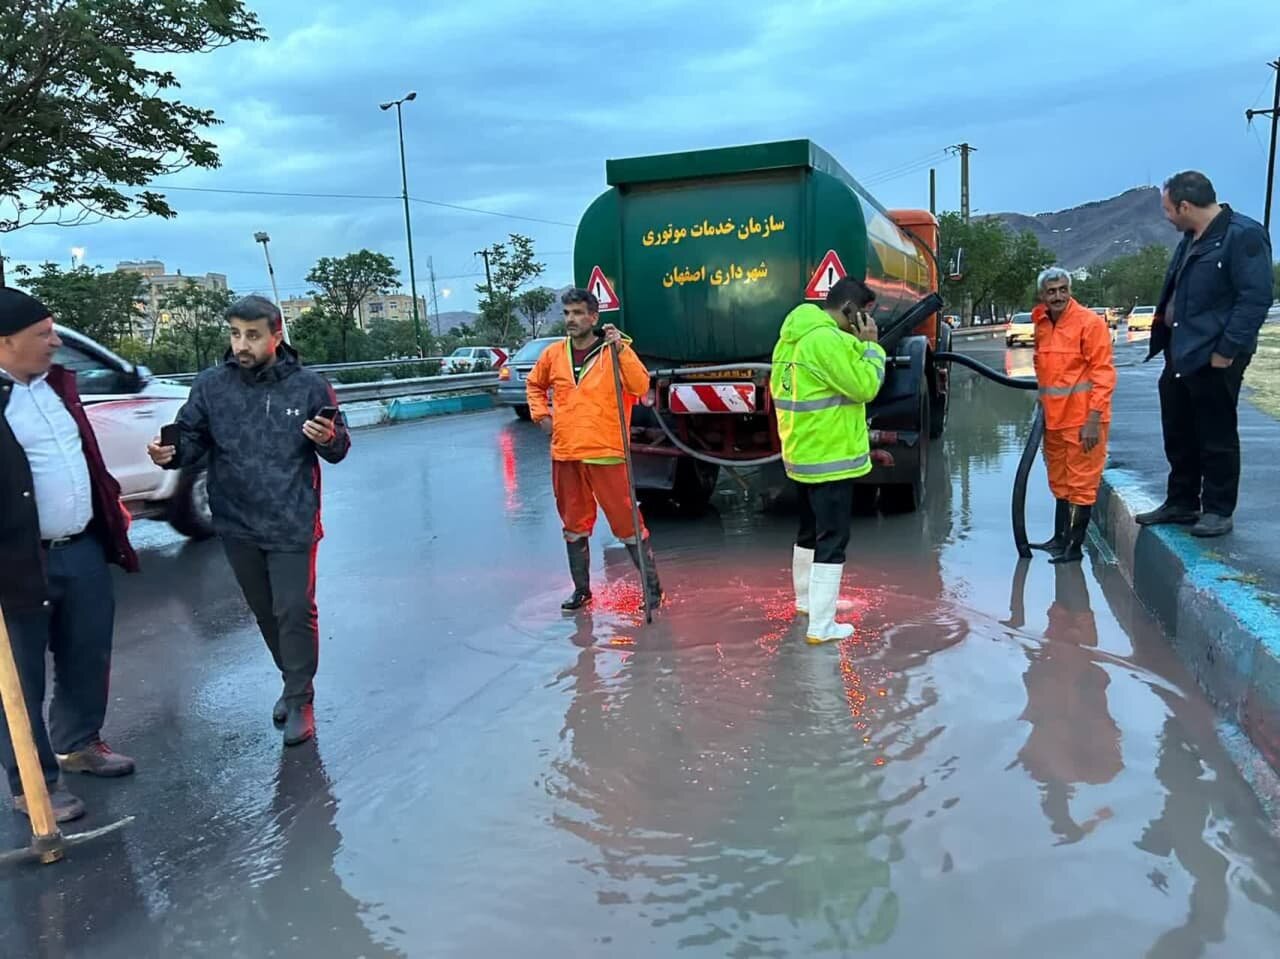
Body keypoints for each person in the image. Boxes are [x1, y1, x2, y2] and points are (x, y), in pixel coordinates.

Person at [147, 296, 350, 746]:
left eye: (253, 335)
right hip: (236, 520)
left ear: (276, 336)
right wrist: (171, 454)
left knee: (293, 609)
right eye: (235, 334)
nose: (242, 344)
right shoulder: (210, 386)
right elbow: (193, 440)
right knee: (265, 612)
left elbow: (338, 448)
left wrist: (329, 438)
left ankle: (300, 697)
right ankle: (293, 680)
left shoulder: (310, 387)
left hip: (293, 519)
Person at [0, 288, 139, 824]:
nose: (55, 342)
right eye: (43, 335)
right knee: (20, 679)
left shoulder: (58, 385)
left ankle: (79, 743)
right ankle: (32, 782)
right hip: (17, 562)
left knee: (88, 653)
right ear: (4, 341)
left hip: (79, 546)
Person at [1137, 171, 1273, 538]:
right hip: (1180, 350)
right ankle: (1181, 502)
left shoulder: (1243, 235)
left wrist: (1226, 351)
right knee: (1178, 429)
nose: (1166, 217)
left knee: (1216, 432)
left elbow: (1255, 298)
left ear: (1185, 205)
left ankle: (1217, 509)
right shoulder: (1190, 238)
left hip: (1214, 355)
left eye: (1168, 209)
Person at [525, 288, 662, 611]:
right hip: (567, 453)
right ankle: (582, 590)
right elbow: (534, 385)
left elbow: (640, 386)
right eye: (567, 313)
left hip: (607, 451)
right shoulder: (553, 354)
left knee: (627, 524)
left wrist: (621, 349)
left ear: (593, 317)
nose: (571, 319)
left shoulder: (614, 351)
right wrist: (542, 416)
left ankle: (653, 592)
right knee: (573, 524)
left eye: (577, 313)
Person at [770, 276, 886, 644]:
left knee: (808, 532)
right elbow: (865, 386)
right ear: (850, 310)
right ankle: (822, 625)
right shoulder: (826, 341)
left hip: (803, 454)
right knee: (833, 538)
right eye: (864, 316)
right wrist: (872, 349)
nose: (867, 324)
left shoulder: (793, 336)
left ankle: (807, 602)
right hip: (831, 455)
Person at [1027, 267, 1116, 564]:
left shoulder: (1089, 324)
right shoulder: (1041, 322)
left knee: (1081, 484)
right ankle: (1059, 538)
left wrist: (1093, 420)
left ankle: (1073, 548)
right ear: (1042, 295)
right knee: (1061, 481)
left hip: (1083, 421)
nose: (1058, 296)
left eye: (1063, 290)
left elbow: (1103, 374)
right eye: (1052, 291)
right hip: (1054, 420)